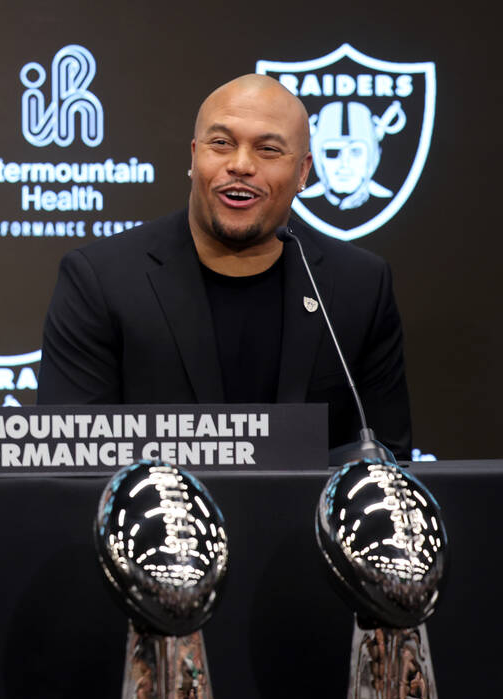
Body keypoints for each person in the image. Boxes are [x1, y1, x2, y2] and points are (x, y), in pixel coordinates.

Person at [37, 74, 411, 457]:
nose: (241, 165)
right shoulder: (101, 280)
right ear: (195, 155)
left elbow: (385, 461)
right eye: (221, 144)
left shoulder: (359, 285)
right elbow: (73, 460)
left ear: (302, 172)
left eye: (268, 149)